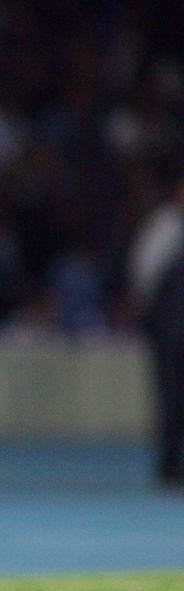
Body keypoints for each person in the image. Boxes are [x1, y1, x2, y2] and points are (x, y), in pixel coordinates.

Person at [128, 171, 184, 488]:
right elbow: (145, 278)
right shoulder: (164, 227)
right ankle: (169, 463)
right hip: (171, 331)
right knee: (172, 400)